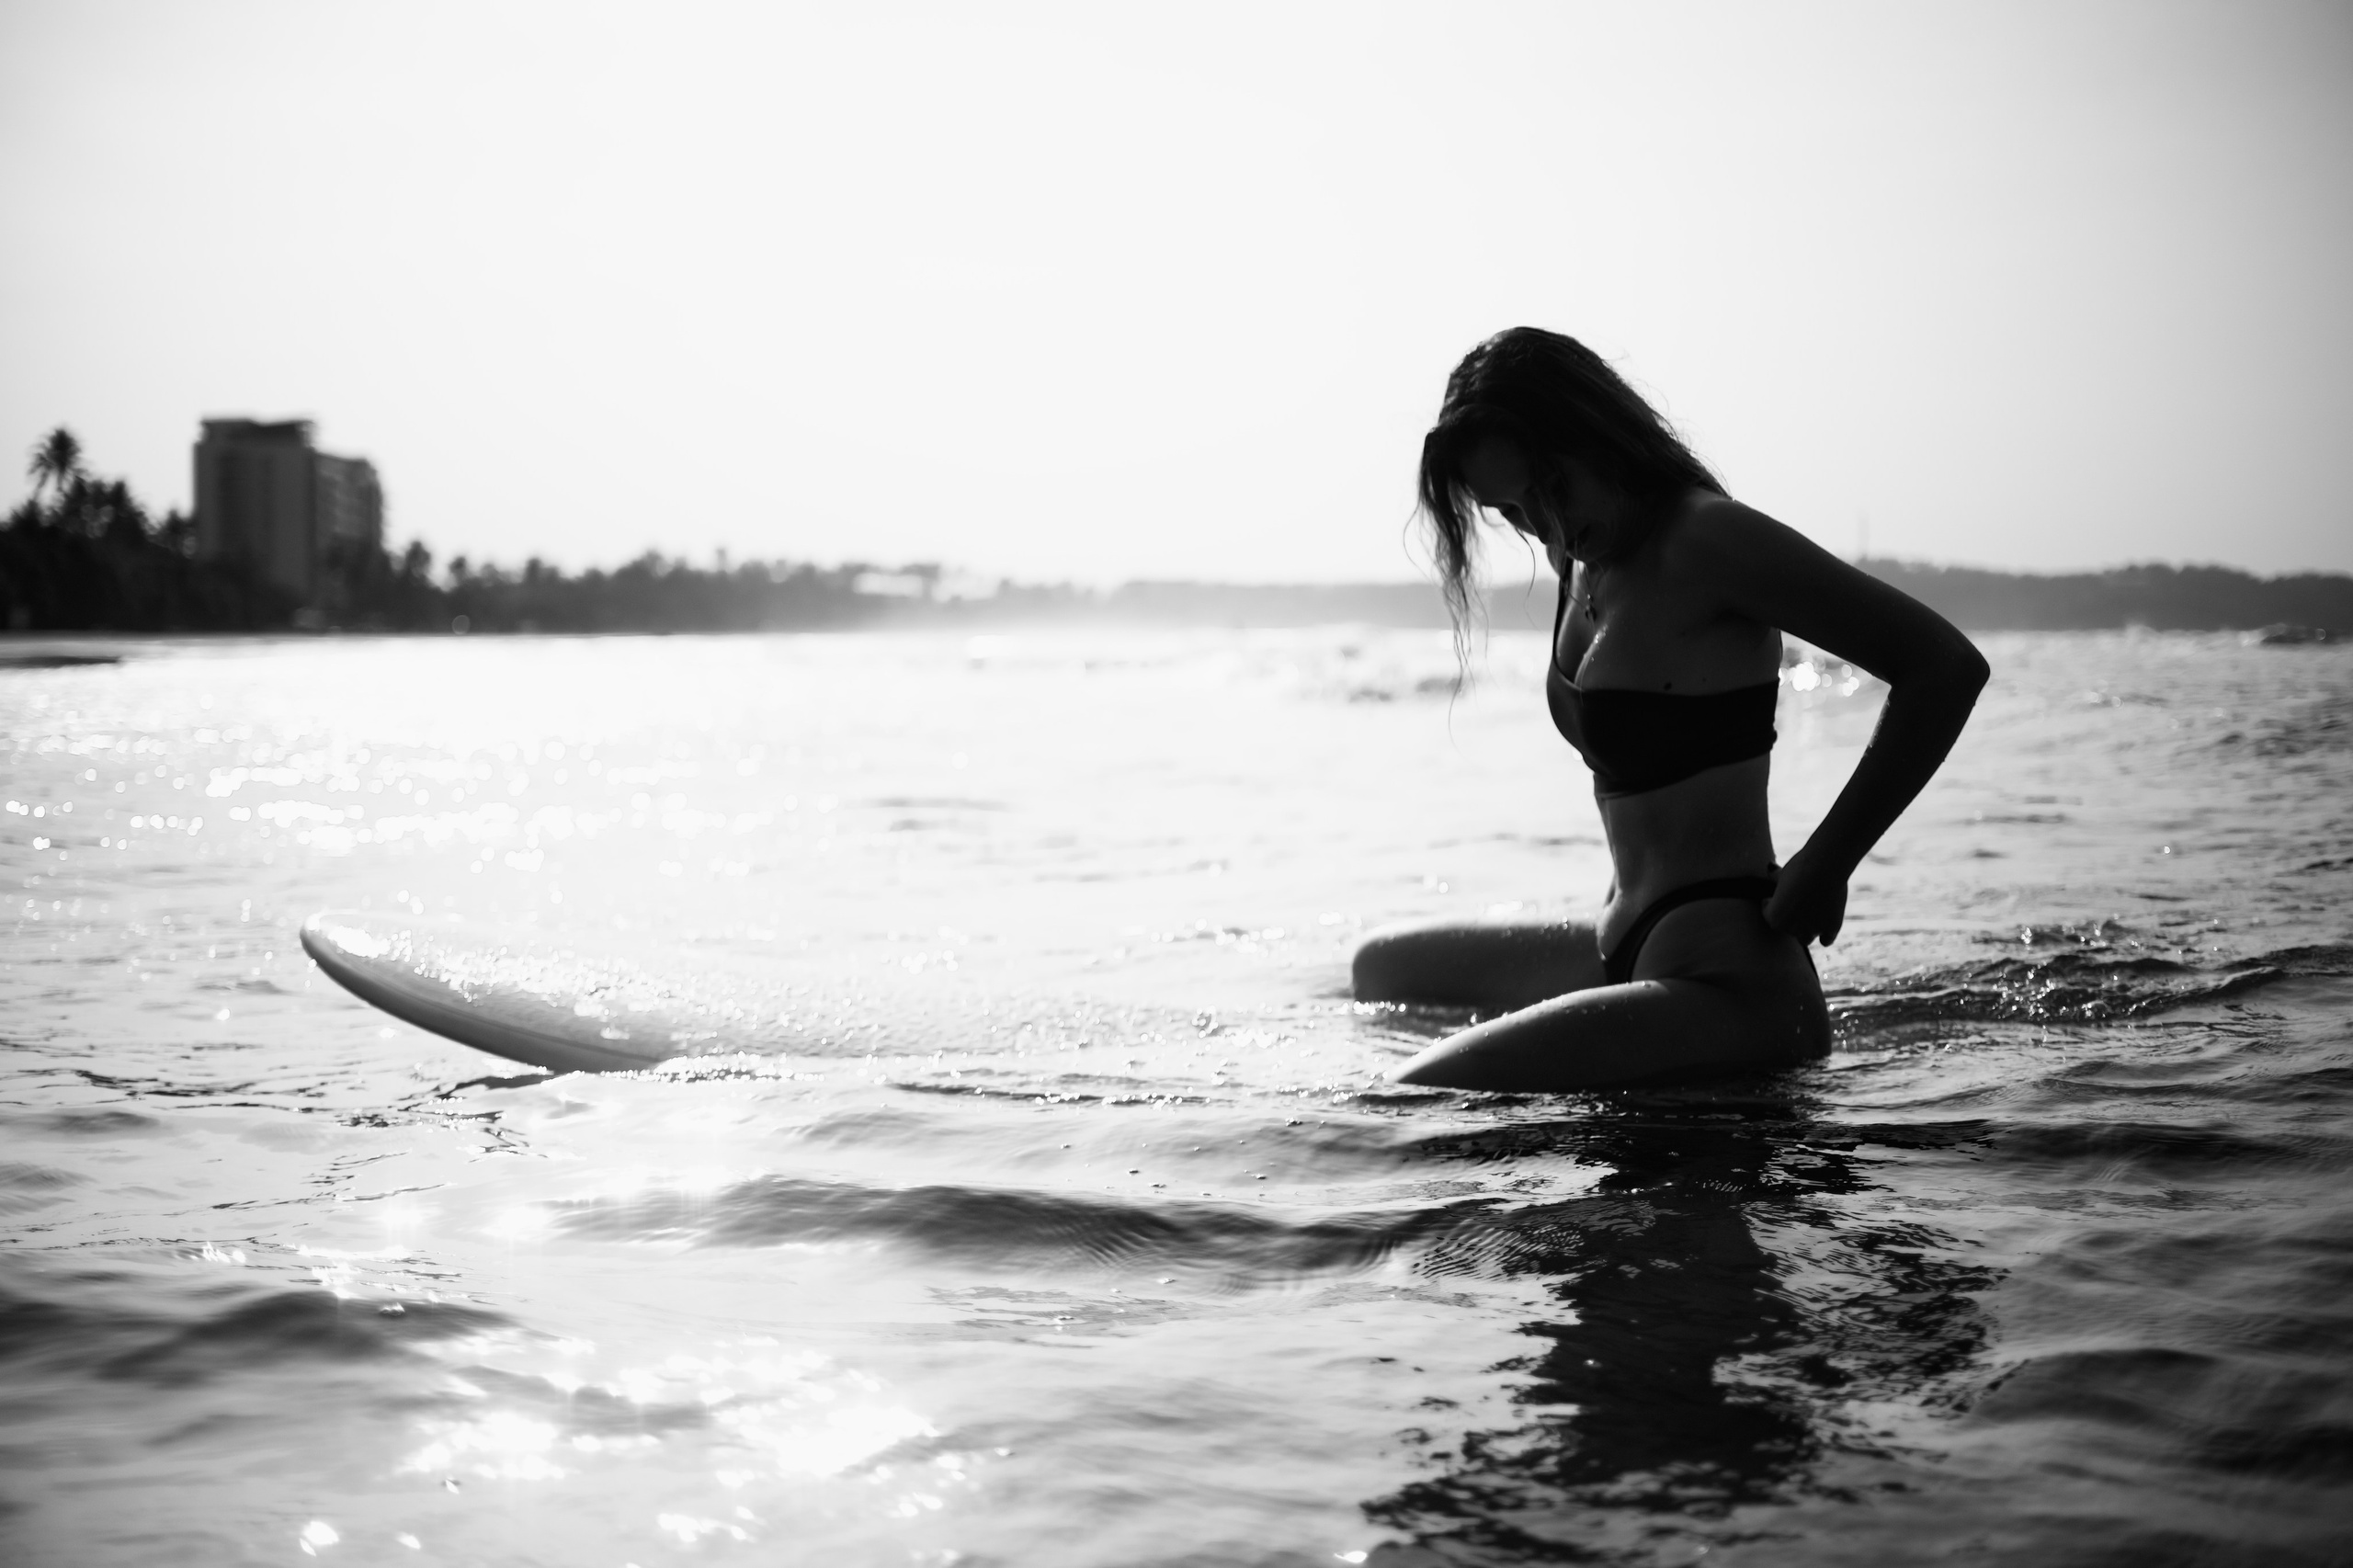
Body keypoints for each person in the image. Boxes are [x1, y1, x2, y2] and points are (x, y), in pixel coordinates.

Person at [1360, 328, 1988, 1090]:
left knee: (1417, 1093)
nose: (1547, 529)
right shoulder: (1580, 558)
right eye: (1516, 513)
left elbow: (1945, 667)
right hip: (1621, 941)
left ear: (1596, 432)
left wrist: (1829, 863)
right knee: (1377, 969)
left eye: (1551, 489)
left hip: (1732, 983)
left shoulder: (1706, 538)